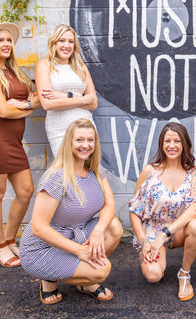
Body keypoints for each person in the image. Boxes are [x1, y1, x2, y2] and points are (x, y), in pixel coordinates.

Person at [19, 118, 123, 304]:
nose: (86, 145)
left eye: (90, 140)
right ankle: (50, 278)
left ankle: (85, 283)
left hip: (77, 234)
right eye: (79, 140)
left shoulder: (95, 170)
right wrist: (79, 251)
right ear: (69, 142)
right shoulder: (57, 178)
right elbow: (39, 228)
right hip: (43, 248)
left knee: (113, 226)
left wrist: (98, 231)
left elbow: (110, 205)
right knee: (102, 270)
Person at [0, 21, 40, 268]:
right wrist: (25, 106)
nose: (6, 44)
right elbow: (1, 110)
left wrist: (24, 104)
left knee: (25, 192)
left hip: (13, 141)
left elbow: (35, 99)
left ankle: (10, 239)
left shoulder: (14, 71)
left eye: (8, 40)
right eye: (0, 40)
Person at [128, 123, 196, 301]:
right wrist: (144, 241)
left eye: (177, 141)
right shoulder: (150, 171)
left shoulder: (194, 174)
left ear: (185, 144)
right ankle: (152, 255)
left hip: (175, 230)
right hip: (152, 232)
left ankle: (184, 274)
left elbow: (194, 210)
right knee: (153, 275)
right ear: (161, 144)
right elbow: (134, 210)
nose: (172, 145)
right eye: (167, 141)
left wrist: (165, 234)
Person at [35, 25, 97, 156]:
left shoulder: (81, 67)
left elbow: (93, 103)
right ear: (54, 43)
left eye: (71, 41)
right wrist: (82, 98)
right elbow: (47, 104)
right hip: (59, 128)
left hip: (85, 126)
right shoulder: (44, 65)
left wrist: (64, 96)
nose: (66, 45)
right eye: (61, 40)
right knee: (65, 172)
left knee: (88, 170)